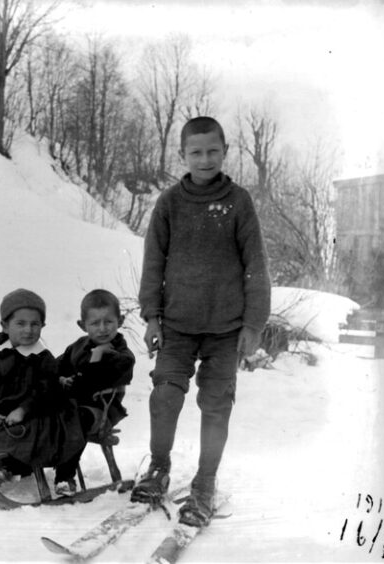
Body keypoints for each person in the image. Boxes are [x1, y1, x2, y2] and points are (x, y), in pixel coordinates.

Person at [131, 116, 271, 526]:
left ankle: (205, 482)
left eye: (213, 151)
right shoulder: (170, 203)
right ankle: (158, 467)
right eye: (196, 152)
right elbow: (153, 261)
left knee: (215, 405)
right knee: (165, 397)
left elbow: (256, 266)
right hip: (176, 325)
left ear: (225, 152)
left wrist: (253, 323)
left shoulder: (239, 202)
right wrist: (152, 316)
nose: (205, 159)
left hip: (225, 330)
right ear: (182, 155)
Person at [0, 289, 85, 495]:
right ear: (5, 326)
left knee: (22, 436)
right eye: (21, 323)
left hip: (36, 414)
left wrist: (23, 410)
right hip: (1, 414)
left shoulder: (43, 358)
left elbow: (47, 391)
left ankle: (0, 468)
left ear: (42, 326)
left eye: (35, 324)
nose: (28, 330)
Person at [54, 289, 135, 496]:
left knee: (75, 419)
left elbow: (92, 381)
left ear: (120, 320)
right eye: (94, 323)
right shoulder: (78, 347)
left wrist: (97, 357)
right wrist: (60, 378)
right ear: (83, 326)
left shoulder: (122, 355)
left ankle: (65, 476)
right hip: (72, 404)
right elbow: (56, 366)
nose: (102, 329)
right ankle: (18, 464)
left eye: (108, 322)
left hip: (101, 411)